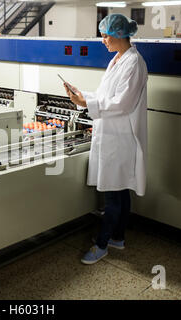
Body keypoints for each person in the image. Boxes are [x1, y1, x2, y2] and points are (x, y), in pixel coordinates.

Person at [64, 14, 148, 265]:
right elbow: (105, 95)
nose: (103, 40)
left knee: (113, 196)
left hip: (121, 138)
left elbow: (122, 103)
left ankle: (101, 245)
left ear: (120, 34)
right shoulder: (118, 60)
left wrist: (87, 103)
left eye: (106, 36)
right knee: (120, 192)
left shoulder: (134, 63)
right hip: (113, 135)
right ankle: (118, 237)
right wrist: (83, 95)